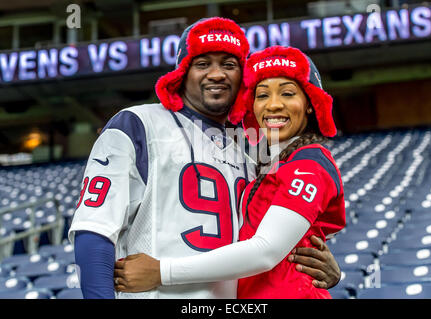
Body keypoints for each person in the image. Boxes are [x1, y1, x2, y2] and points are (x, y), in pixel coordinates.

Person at [68, 17, 341, 299]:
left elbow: (271, 245)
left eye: (229, 64)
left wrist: (327, 272)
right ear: (182, 73)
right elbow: (95, 230)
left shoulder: (254, 148)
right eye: (202, 64)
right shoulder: (138, 123)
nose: (216, 74)